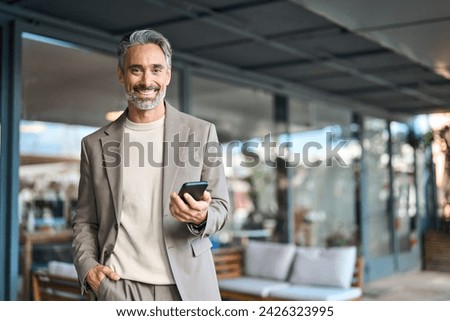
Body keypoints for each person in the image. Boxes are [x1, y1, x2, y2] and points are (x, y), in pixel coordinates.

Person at [72, 29, 229, 301]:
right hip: (118, 287)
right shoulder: (94, 144)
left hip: (187, 288)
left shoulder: (202, 133)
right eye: (136, 70)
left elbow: (222, 208)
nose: (147, 80)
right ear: (121, 75)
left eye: (156, 70)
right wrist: (88, 269)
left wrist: (202, 217)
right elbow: (86, 221)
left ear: (167, 74)